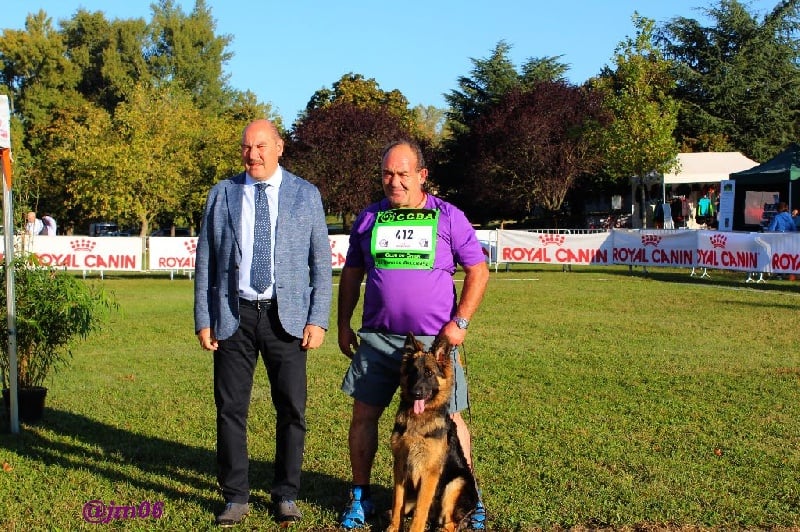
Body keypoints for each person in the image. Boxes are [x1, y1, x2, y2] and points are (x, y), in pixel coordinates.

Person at [337, 140, 490, 530]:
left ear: (422, 175)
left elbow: (478, 270)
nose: (395, 181)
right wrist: (342, 323)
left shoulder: (449, 216)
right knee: (364, 415)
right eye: (388, 173)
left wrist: (461, 322)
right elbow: (352, 273)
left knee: (451, 420)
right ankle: (360, 497)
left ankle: (469, 501)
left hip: (434, 346)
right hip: (377, 337)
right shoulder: (370, 218)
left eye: (403, 174)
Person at [194, 119, 332, 527]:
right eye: (246, 147)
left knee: (292, 409)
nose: (252, 154)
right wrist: (204, 318)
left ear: (279, 148)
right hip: (233, 316)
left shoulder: (306, 196)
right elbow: (206, 262)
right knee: (230, 410)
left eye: (260, 146)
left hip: (285, 318)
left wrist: (318, 319)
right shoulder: (222, 194)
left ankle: (286, 494)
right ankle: (235, 496)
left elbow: (321, 265)